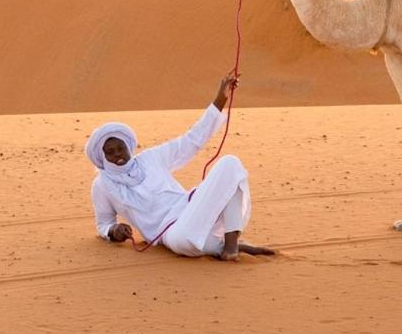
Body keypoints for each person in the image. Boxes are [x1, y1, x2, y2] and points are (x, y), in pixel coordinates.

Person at [84, 73, 274, 261]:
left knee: (230, 165)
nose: (117, 154)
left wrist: (220, 98)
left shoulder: (151, 158)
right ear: (102, 156)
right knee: (184, 243)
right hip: (169, 232)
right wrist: (113, 230)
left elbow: (190, 140)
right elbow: (104, 223)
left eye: (120, 147)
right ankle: (225, 247)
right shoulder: (102, 185)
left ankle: (231, 245)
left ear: (128, 146)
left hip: (192, 208)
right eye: (110, 151)